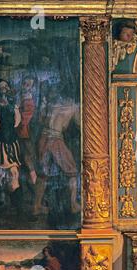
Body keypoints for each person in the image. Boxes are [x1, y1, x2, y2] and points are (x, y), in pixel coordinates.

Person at [0, 79, 35, 221]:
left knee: (14, 173)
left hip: (12, 145)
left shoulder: (13, 105)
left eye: (6, 87)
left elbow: (17, 123)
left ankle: (19, 211)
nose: (4, 89)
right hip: (0, 145)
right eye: (1, 87)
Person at [34, 85, 80, 215]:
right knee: (71, 171)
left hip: (43, 138)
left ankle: (36, 206)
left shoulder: (52, 104)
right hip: (55, 139)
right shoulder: (74, 106)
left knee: (43, 173)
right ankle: (73, 205)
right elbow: (80, 125)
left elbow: (41, 120)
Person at [17, 75, 37, 185]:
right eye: (24, 84)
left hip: (25, 130)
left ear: (31, 87)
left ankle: (33, 178)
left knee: (27, 155)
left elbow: (27, 116)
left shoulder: (29, 99)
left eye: (28, 85)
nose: (25, 86)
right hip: (22, 129)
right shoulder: (22, 96)